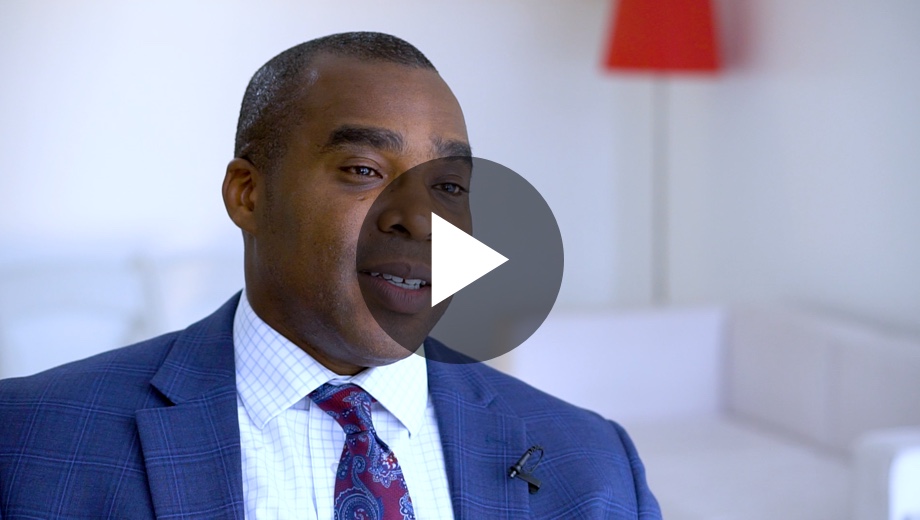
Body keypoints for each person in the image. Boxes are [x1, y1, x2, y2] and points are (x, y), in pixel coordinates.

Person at [0, 32, 661, 519]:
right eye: (364, 171)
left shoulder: (594, 463)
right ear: (248, 195)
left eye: (449, 186)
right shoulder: (29, 440)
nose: (420, 220)